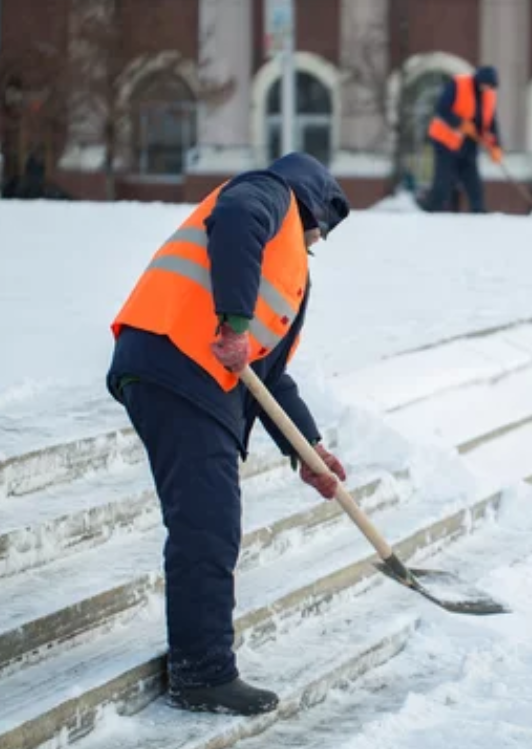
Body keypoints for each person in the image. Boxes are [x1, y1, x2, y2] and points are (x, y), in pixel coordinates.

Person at [105, 152, 352, 716]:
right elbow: (237, 220)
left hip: (185, 374)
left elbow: (271, 377)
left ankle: (203, 665)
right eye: (316, 232)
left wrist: (306, 451)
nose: (313, 242)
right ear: (310, 202)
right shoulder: (266, 194)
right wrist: (233, 323)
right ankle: (203, 672)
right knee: (207, 521)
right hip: (177, 364)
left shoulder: (287, 265)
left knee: (209, 519)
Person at [422, 65, 503, 213]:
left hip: (469, 143)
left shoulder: (489, 95)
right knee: (444, 178)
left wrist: (496, 146)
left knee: (473, 179)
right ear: (478, 81)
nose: (488, 88)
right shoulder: (458, 84)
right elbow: (442, 108)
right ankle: (433, 209)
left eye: (491, 86)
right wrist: (460, 123)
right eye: (486, 84)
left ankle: (478, 209)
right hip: (445, 139)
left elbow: (491, 122)